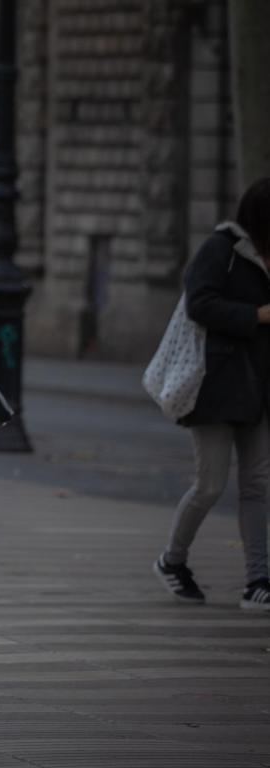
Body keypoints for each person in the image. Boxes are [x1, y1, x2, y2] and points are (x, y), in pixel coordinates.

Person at [156, 177, 270, 612]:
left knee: (258, 485)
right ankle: (172, 560)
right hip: (215, 387)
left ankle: (258, 581)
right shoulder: (222, 248)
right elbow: (198, 303)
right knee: (210, 485)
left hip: (259, 389)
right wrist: (255, 315)